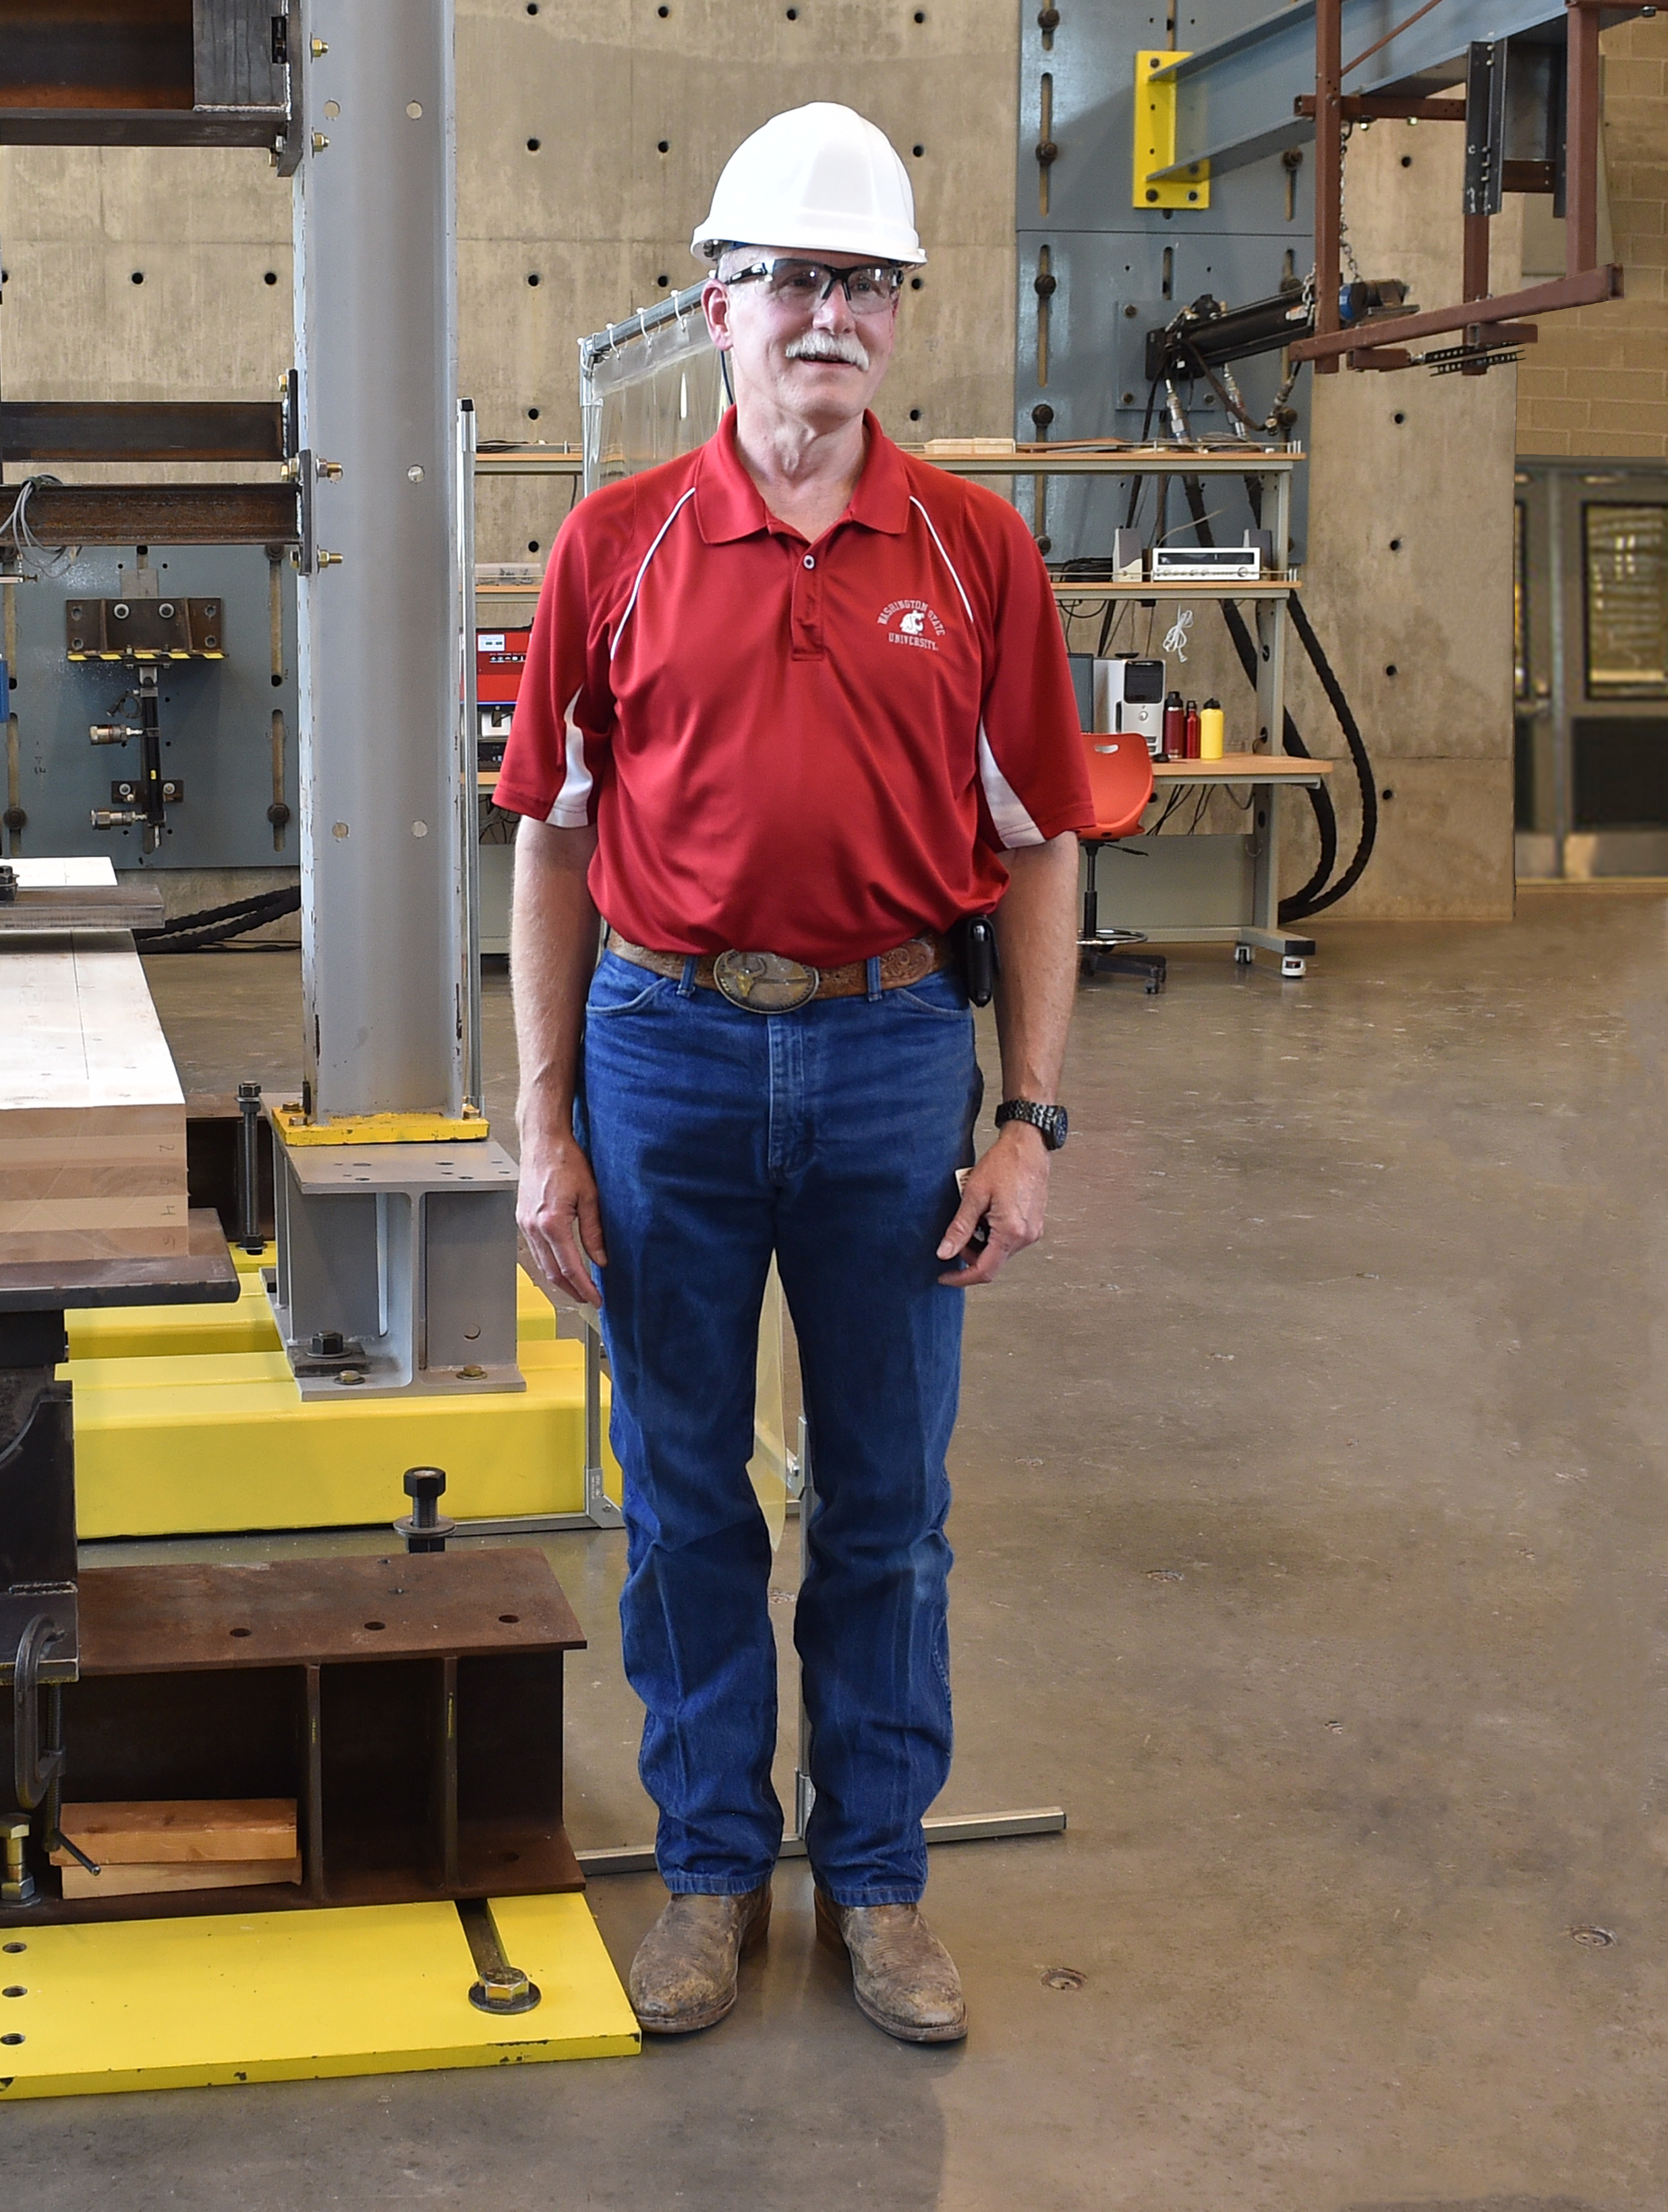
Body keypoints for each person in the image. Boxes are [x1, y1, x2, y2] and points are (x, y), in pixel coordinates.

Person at [495, 103, 1087, 2047]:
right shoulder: (620, 541)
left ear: (896, 318)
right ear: (718, 304)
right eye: (793, 282)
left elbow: (1047, 838)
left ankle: (883, 1888)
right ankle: (706, 1877)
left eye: (865, 286)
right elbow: (555, 836)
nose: (828, 318)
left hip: (899, 1056)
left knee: (888, 1507)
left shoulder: (977, 551)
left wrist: (1029, 1113)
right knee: (680, 1499)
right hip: (663, 1057)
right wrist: (543, 1127)